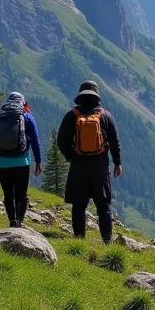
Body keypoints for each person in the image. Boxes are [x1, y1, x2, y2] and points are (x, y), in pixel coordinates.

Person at [57, 80, 122, 243]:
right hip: (100, 165)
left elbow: (61, 140)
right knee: (103, 205)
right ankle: (107, 241)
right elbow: (115, 141)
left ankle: (79, 239)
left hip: (78, 165)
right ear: (97, 96)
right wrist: (117, 163)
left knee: (79, 205)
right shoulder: (106, 116)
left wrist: (71, 156)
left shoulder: (72, 115)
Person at [0, 91, 42, 228]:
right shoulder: (27, 117)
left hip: (2, 162)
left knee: (8, 194)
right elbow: (35, 141)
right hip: (22, 162)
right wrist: (38, 161)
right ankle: (19, 222)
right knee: (22, 194)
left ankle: (12, 221)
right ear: (22, 102)